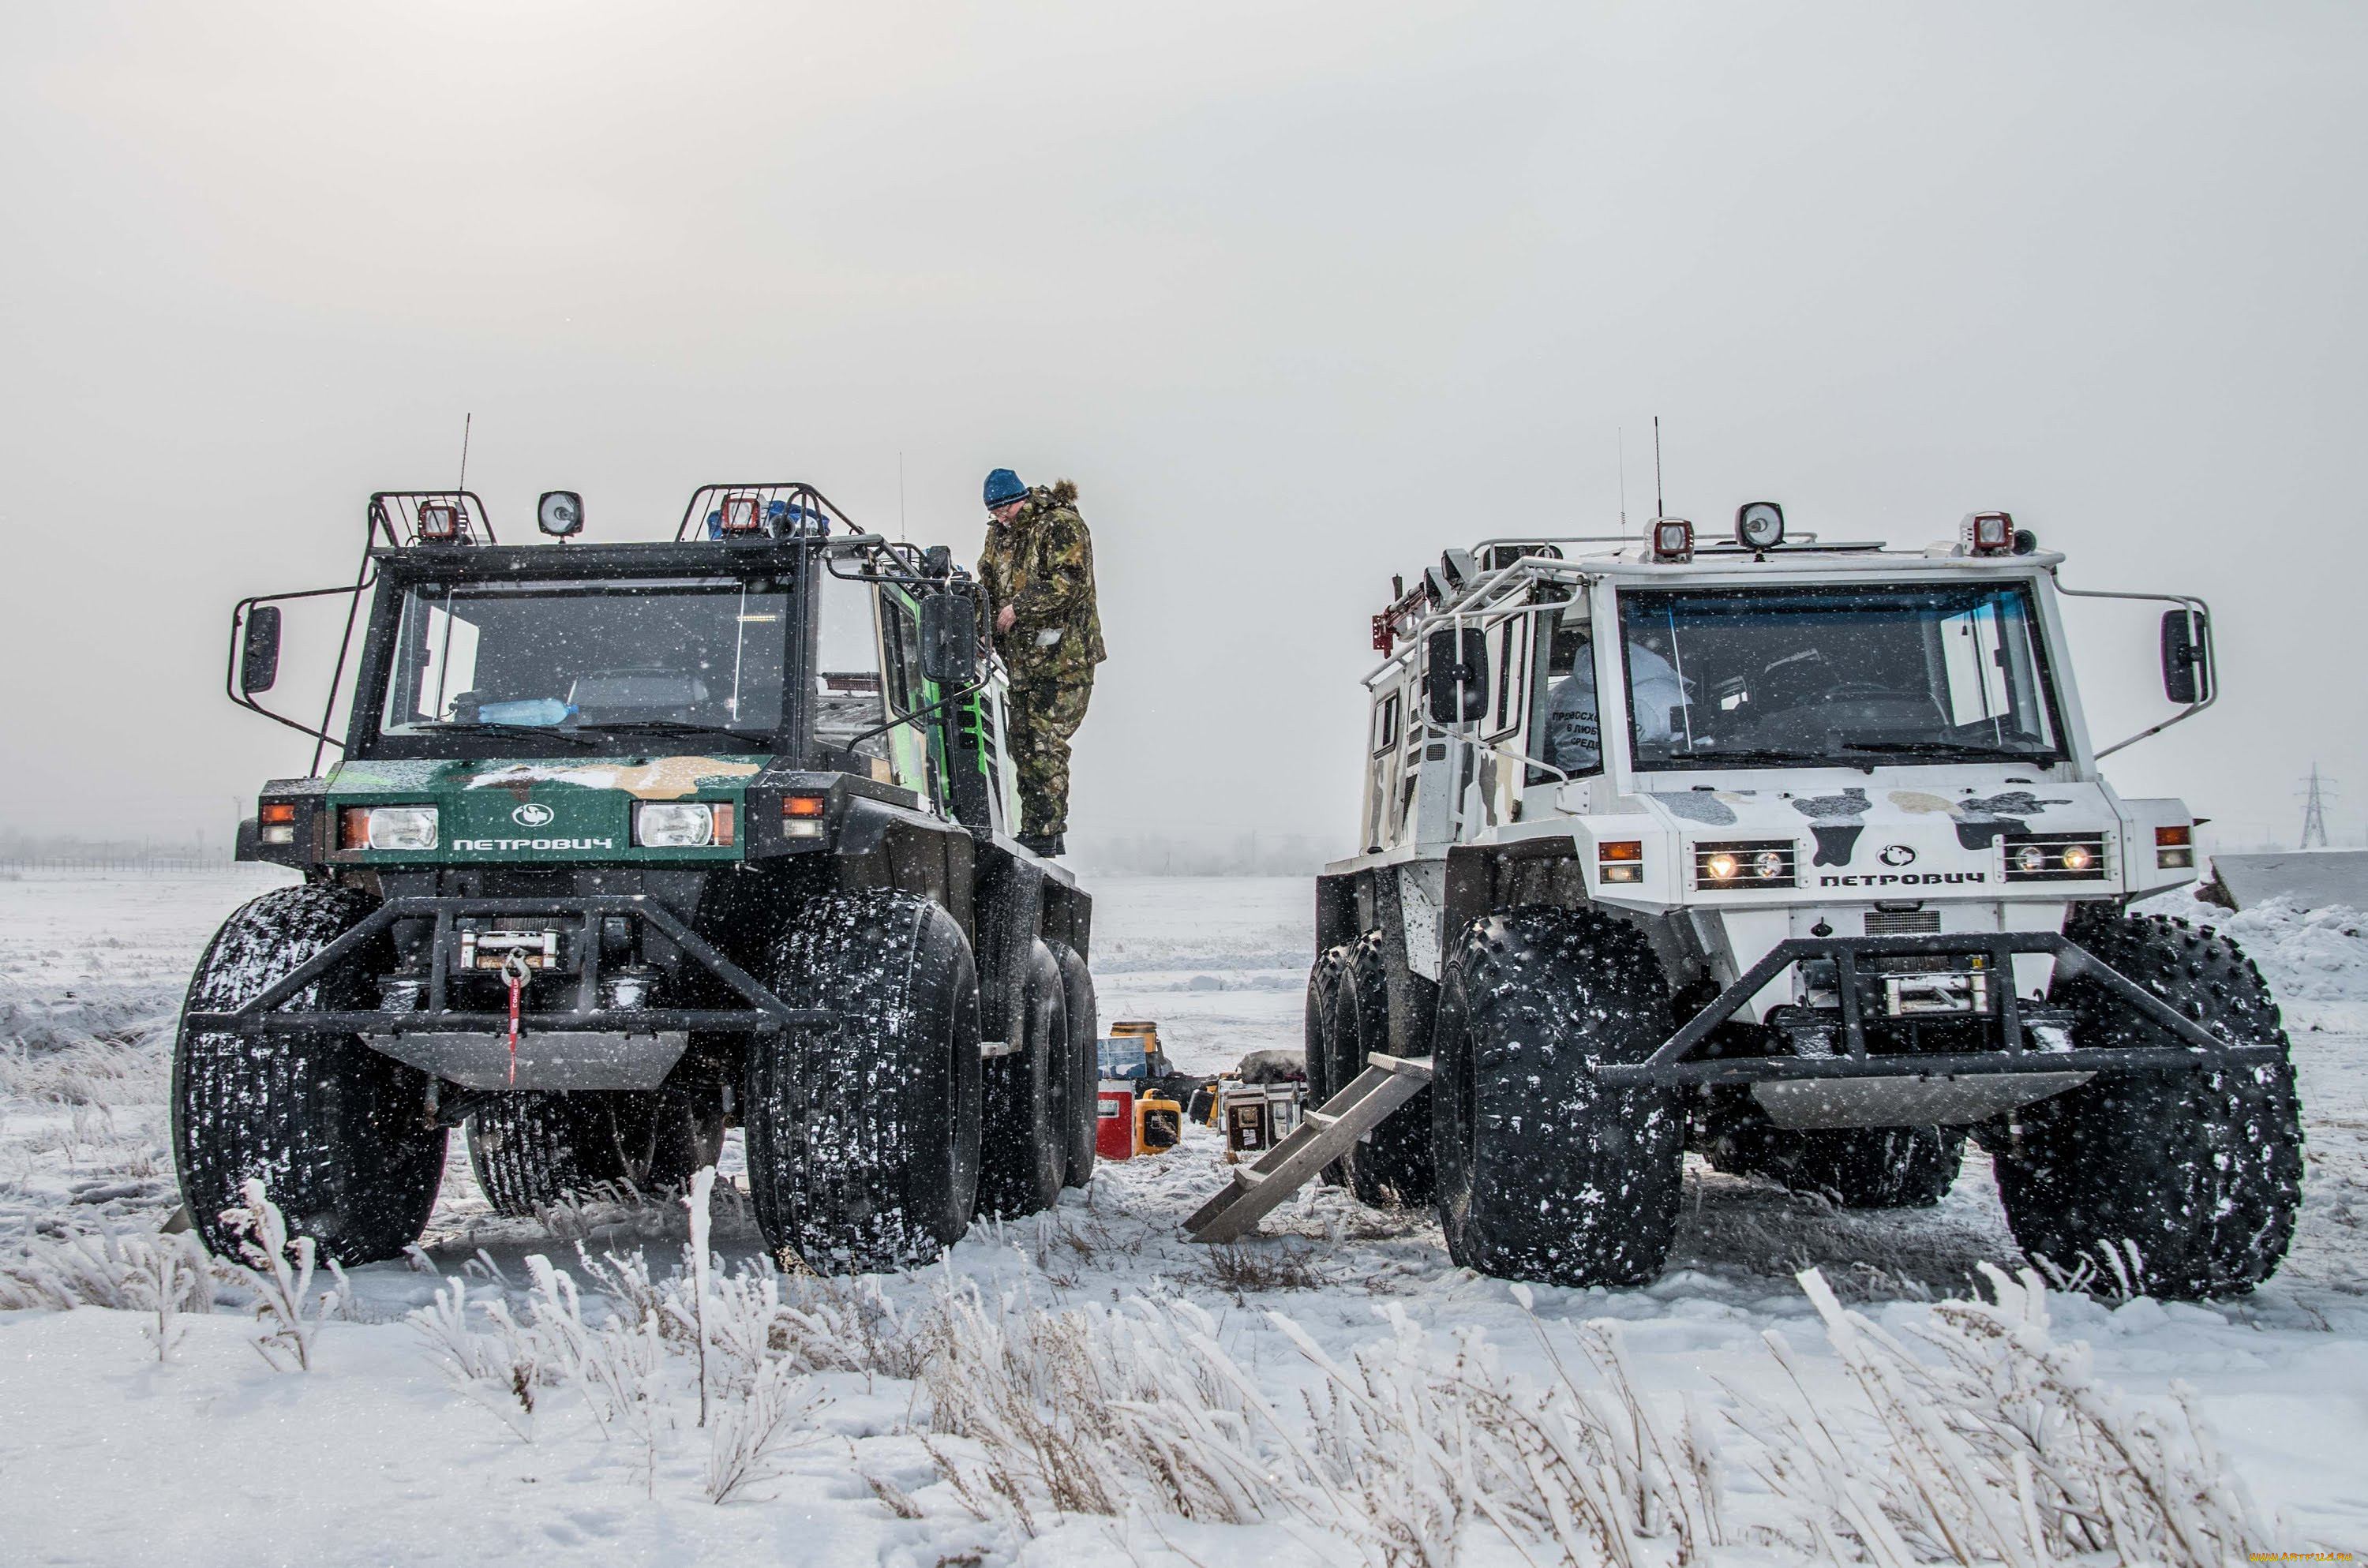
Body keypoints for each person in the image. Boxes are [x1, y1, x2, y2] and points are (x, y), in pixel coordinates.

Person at [975, 467, 1105, 856]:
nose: (1001, 516)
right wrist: (984, 627)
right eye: (994, 511)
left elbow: (1071, 583)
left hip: (1065, 657)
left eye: (1005, 508)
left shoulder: (1059, 524)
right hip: (1024, 662)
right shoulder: (998, 536)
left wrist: (1020, 608)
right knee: (1023, 742)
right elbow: (988, 585)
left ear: (1021, 498)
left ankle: (1044, 833)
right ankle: (1040, 827)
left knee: (1044, 740)